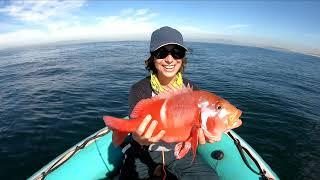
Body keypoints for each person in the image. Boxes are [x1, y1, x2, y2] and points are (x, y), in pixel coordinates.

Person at [118, 26, 219, 180]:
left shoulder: (193, 91)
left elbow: (193, 132)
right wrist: (137, 139)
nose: (170, 59)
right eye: (161, 52)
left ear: (183, 57)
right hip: (143, 153)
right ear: (153, 57)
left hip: (177, 154)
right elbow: (136, 127)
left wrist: (205, 134)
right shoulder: (138, 89)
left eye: (177, 52)